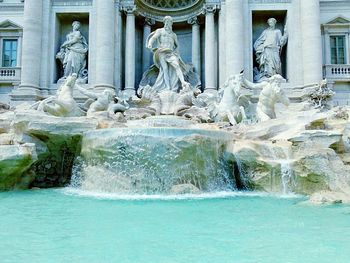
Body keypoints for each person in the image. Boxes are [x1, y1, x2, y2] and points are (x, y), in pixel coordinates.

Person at [145, 16, 191, 92]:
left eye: (169, 22)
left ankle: (183, 82)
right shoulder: (160, 31)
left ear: (171, 24)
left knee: (176, 65)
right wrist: (150, 43)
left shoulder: (173, 35)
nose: (168, 23)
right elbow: (154, 37)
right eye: (166, 21)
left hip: (170, 52)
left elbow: (177, 45)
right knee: (165, 69)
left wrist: (176, 52)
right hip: (161, 51)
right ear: (164, 22)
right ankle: (168, 87)